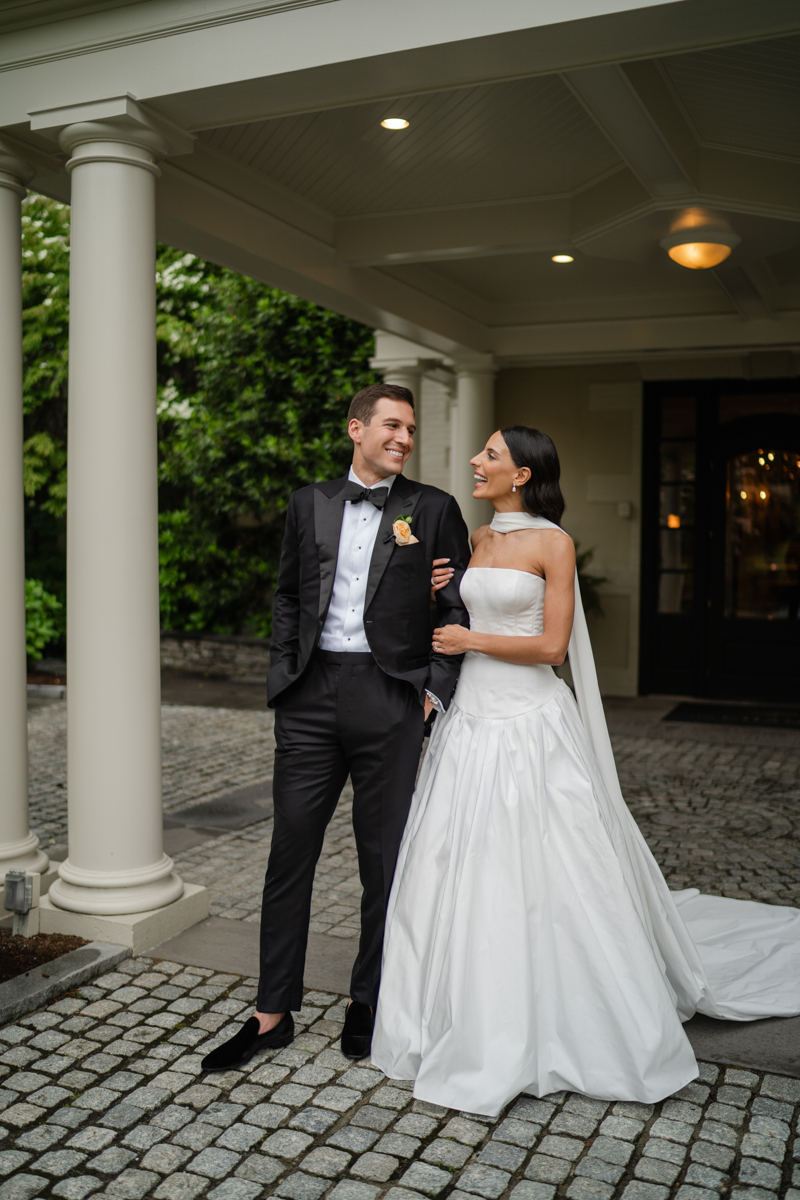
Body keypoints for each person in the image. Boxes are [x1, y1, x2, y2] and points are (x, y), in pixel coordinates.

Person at [372, 424, 800, 1116]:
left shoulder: (555, 543)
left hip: (531, 719)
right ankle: (450, 1007)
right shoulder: (478, 538)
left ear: (523, 474)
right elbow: (456, 610)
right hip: (471, 715)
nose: (477, 462)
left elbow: (551, 647)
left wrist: (469, 637)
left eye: (490, 455)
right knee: (458, 855)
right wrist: (433, 594)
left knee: (552, 860)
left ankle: (567, 1013)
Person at [202, 383, 470, 1072]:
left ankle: (367, 1000)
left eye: (410, 429)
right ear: (356, 428)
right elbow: (288, 595)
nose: (403, 438)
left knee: (384, 861)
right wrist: (284, 678)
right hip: (311, 696)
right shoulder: (308, 502)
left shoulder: (433, 508)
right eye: (391, 425)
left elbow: (456, 608)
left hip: (390, 698)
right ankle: (271, 1012)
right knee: (290, 853)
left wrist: (432, 692)